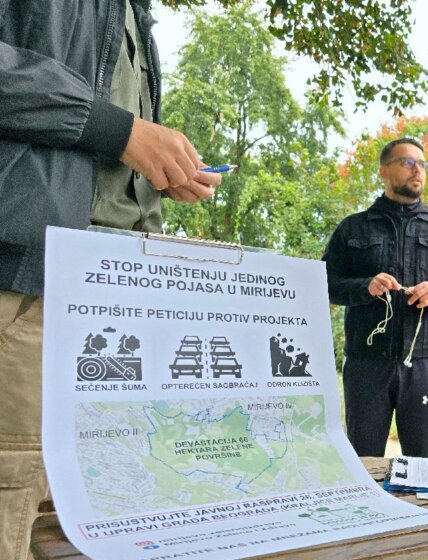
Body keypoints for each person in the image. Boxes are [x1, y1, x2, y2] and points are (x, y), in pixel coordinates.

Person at [0, 2, 220, 558]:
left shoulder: (136, 14)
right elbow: (106, 127)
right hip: (25, 288)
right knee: (15, 498)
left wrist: (156, 174)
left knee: (89, 511)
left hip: (112, 299)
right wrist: (118, 131)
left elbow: (103, 154)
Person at [323, 138, 428, 459]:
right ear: (383, 171)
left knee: (422, 458)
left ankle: (418, 509)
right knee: (363, 457)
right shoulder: (352, 229)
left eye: (422, 164)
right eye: (407, 162)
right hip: (366, 363)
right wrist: (364, 286)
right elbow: (324, 284)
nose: (417, 169)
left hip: (426, 364)